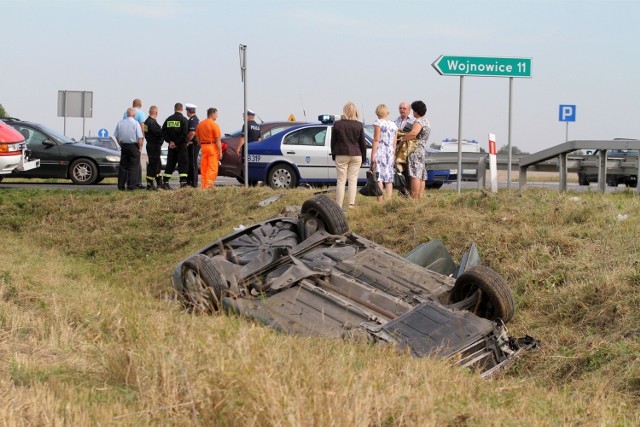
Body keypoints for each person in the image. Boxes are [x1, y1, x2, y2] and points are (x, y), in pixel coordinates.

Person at [330, 102, 367, 209]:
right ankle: (351, 204)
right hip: (356, 154)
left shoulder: (337, 124)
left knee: (341, 180)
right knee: (353, 180)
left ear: (344, 111)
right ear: (355, 111)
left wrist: (334, 155)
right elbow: (362, 144)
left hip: (341, 154)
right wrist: (363, 158)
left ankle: (339, 205)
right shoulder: (359, 125)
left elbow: (333, 142)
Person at [399, 100, 431, 199]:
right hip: (422, 149)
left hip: (415, 149)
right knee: (421, 174)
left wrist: (402, 139)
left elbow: (414, 133)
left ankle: (414, 197)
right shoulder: (426, 121)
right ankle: (420, 197)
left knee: (414, 174)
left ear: (416, 111)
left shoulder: (419, 121)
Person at [371, 104, 398, 200]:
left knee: (379, 177)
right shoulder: (394, 125)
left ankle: (380, 200)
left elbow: (376, 140)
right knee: (388, 177)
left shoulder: (378, 123)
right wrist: (393, 154)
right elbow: (394, 143)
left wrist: (373, 155)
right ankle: (389, 199)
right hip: (390, 152)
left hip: (380, 151)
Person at [160, 103, 189, 189]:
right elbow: (184, 134)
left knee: (170, 164)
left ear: (174, 109)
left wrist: (170, 141)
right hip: (181, 146)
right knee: (183, 164)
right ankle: (183, 183)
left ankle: (165, 182)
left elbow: (163, 131)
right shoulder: (184, 120)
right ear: (182, 109)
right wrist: (176, 143)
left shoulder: (169, 119)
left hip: (171, 147)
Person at [114, 107, 144, 190]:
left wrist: (120, 144)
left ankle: (121, 186)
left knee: (123, 167)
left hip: (124, 146)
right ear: (134, 115)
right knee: (133, 167)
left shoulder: (120, 123)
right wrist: (140, 148)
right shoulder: (136, 123)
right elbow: (139, 138)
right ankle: (131, 186)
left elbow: (116, 136)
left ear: (127, 114)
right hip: (133, 146)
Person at [195, 107, 223, 189]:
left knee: (204, 167)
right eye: (216, 114)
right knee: (212, 167)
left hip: (203, 147)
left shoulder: (200, 124)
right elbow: (218, 140)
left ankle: (203, 185)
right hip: (212, 147)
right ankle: (209, 185)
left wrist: (201, 144)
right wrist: (220, 152)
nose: (217, 116)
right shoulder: (214, 125)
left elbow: (197, 137)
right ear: (212, 113)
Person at [124, 99, 146, 188]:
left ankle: (128, 181)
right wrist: (141, 142)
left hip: (126, 141)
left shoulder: (126, 112)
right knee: (136, 163)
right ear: (140, 105)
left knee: (127, 163)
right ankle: (138, 182)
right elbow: (142, 127)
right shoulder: (140, 113)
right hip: (136, 141)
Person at [144, 105, 163, 190]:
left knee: (156, 163)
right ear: (156, 113)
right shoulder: (153, 123)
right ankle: (150, 183)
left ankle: (158, 180)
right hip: (154, 145)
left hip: (149, 144)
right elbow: (159, 134)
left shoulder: (146, 122)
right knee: (154, 164)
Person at [185, 103, 200, 188]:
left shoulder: (192, 120)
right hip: (193, 144)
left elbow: (192, 133)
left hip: (193, 144)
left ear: (188, 111)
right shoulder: (194, 119)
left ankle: (193, 183)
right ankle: (191, 182)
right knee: (191, 163)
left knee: (193, 164)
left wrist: (186, 141)